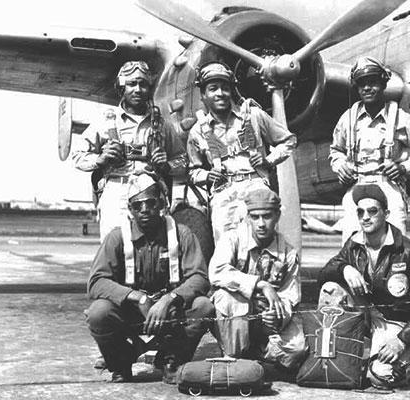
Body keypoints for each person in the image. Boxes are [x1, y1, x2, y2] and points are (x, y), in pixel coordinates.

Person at [85, 172, 214, 384]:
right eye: (138, 206)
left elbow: (199, 277)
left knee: (203, 307)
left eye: (150, 203)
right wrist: (136, 297)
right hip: (131, 313)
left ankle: (172, 359)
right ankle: (120, 361)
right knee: (98, 313)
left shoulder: (181, 234)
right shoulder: (117, 237)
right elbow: (96, 281)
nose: (144, 210)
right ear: (130, 209)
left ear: (162, 204)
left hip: (169, 312)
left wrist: (169, 299)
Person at [317, 184, 410, 389]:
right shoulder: (354, 244)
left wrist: (402, 341)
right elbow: (324, 274)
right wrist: (345, 268)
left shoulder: (409, 252)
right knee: (330, 288)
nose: (365, 217)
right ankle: (334, 352)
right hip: (365, 315)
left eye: (372, 211)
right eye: (360, 212)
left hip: (394, 321)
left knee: (381, 377)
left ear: (386, 213)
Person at [73, 60, 188, 240]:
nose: (137, 89)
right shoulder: (105, 122)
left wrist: (166, 166)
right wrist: (100, 159)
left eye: (143, 84)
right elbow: (77, 156)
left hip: (149, 194)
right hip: (116, 188)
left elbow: (182, 159)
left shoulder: (161, 125)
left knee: (152, 249)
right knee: (113, 246)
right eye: (131, 84)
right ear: (121, 88)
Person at [330, 56, 410, 243]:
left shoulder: (401, 118)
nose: (367, 88)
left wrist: (403, 168)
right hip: (356, 185)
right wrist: (341, 168)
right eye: (362, 84)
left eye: (373, 83)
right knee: (352, 247)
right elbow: (336, 151)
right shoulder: (347, 119)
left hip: (389, 186)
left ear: (383, 84)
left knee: (394, 247)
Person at [187, 61, 297, 241]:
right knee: (225, 247)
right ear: (203, 95)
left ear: (232, 91)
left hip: (256, 189)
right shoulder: (197, 131)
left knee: (260, 245)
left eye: (225, 88)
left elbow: (289, 140)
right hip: (224, 194)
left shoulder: (254, 116)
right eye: (213, 88)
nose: (220, 93)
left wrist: (268, 161)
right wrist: (207, 176)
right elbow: (192, 171)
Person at [208, 187, 305, 371]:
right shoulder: (232, 238)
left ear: (277, 216)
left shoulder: (288, 252)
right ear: (247, 218)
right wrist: (260, 284)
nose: (261, 224)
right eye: (255, 217)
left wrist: (277, 317)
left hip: (266, 321)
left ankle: (256, 355)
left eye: (267, 216)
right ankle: (235, 353)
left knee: (297, 348)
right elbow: (216, 271)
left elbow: (291, 295)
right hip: (237, 314)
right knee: (225, 298)